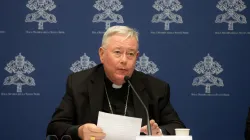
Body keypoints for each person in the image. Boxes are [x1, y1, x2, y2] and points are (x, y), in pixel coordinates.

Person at [46, 25, 185, 140]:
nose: (124, 60)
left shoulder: (156, 88)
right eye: (117, 52)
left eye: (130, 54)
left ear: (136, 57)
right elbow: (55, 127)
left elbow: (177, 127)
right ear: (102, 54)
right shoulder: (78, 83)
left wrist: (159, 132)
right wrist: (79, 131)